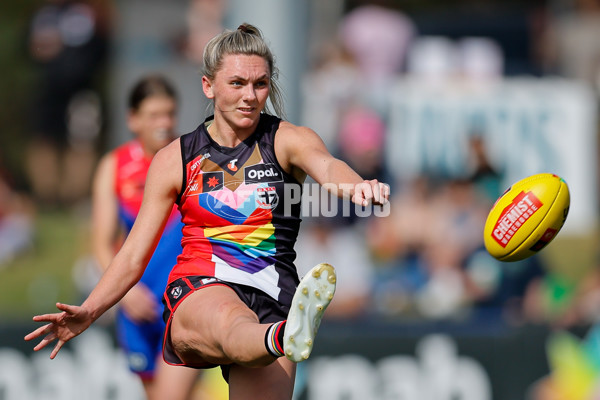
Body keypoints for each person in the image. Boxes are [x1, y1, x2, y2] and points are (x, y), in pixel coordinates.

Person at [25, 23, 389, 399]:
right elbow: (133, 253)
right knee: (231, 322)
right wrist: (90, 309)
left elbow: (328, 167)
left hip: (272, 292)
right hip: (201, 286)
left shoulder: (288, 140)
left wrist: (358, 186)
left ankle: (279, 334)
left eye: (260, 84)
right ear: (208, 86)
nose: (250, 96)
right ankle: (281, 336)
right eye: (237, 83)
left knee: (250, 334)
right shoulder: (175, 160)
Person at [90, 75, 200, 399]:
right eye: (154, 115)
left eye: (170, 113)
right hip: (136, 309)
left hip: (184, 305)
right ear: (133, 119)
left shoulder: (192, 160)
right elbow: (101, 242)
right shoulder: (114, 166)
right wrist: (124, 293)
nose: (164, 123)